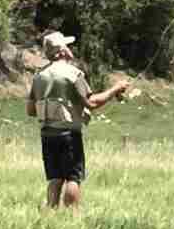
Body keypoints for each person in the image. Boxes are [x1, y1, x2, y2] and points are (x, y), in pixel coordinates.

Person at [27, 30, 126, 208]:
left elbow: (30, 110)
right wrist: (115, 89)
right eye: (67, 46)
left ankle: (51, 212)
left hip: (47, 134)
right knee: (73, 177)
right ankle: (73, 217)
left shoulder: (39, 76)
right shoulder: (73, 74)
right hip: (68, 134)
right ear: (61, 51)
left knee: (55, 178)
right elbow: (92, 102)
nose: (70, 49)